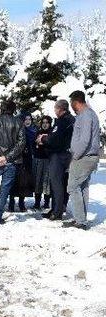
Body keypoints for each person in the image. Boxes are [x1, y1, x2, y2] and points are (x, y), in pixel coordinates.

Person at [62, 90, 102, 230]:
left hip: (84, 157)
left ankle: (80, 221)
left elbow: (85, 140)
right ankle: (81, 219)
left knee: (72, 187)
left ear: (75, 102)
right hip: (87, 157)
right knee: (82, 187)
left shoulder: (86, 116)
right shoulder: (89, 114)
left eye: (71, 103)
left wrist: (76, 155)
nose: (71, 107)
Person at [37, 100, 74, 221]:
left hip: (58, 155)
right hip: (67, 155)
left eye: (55, 108)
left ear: (60, 109)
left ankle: (57, 212)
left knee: (56, 184)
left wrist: (43, 139)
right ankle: (56, 208)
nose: (54, 110)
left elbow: (54, 138)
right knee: (61, 184)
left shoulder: (62, 121)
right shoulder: (71, 120)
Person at [8, 113, 35, 212]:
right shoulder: (15, 131)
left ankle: (21, 202)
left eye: (29, 119)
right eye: (25, 119)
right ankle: (11, 202)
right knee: (14, 181)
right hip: (16, 159)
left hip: (27, 160)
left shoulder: (32, 131)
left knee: (24, 182)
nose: (28, 121)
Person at [32, 116, 53, 209]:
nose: (45, 124)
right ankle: (37, 202)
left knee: (47, 181)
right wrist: (37, 144)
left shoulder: (52, 133)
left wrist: (43, 143)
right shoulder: (38, 132)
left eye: (47, 122)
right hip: (38, 159)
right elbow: (34, 144)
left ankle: (46, 202)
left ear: (50, 123)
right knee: (38, 180)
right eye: (43, 122)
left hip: (48, 160)